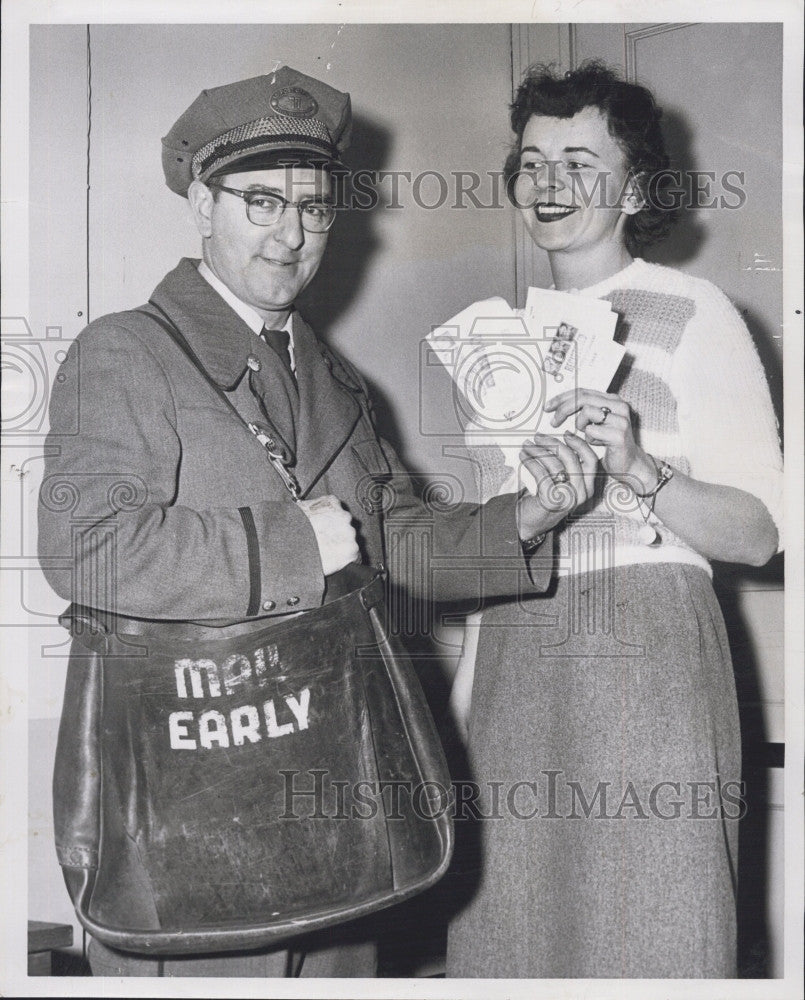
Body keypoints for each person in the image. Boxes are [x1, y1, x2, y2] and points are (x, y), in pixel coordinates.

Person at [37, 66, 597, 979]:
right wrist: (289, 545)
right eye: (262, 201)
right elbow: (83, 548)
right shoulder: (128, 352)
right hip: (190, 817)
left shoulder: (333, 380)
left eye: (314, 207)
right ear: (201, 203)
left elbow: (392, 544)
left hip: (339, 807)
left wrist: (526, 516)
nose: (291, 234)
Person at [445, 62, 784, 978]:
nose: (548, 184)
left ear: (632, 186)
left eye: (579, 162)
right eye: (531, 160)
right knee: (509, 938)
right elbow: (488, 553)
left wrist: (639, 468)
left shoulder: (695, 311)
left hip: (648, 656)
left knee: (655, 930)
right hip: (516, 658)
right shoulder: (493, 342)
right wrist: (465, 706)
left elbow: (757, 534)